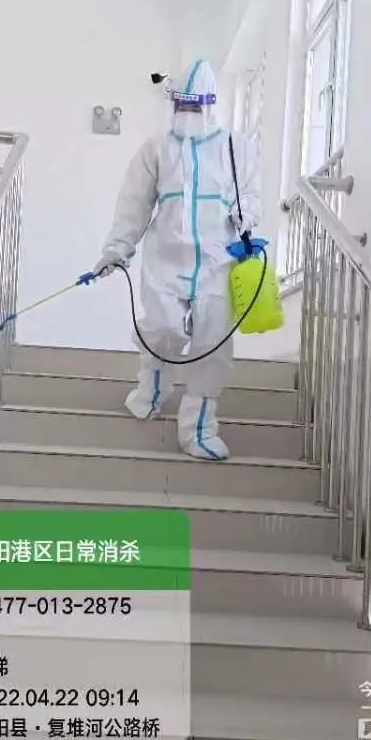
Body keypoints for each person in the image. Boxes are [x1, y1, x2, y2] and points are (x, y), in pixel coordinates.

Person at [94, 59, 261, 460]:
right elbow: (134, 204)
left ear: (210, 105)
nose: (187, 113)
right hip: (166, 261)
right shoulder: (156, 148)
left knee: (213, 344)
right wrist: (116, 250)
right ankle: (152, 387)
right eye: (182, 104)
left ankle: (198, 428)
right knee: (163, 328)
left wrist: (246, 219)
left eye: (194, 105)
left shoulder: (236, 147)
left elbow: (251, 195)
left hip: (218, 263)